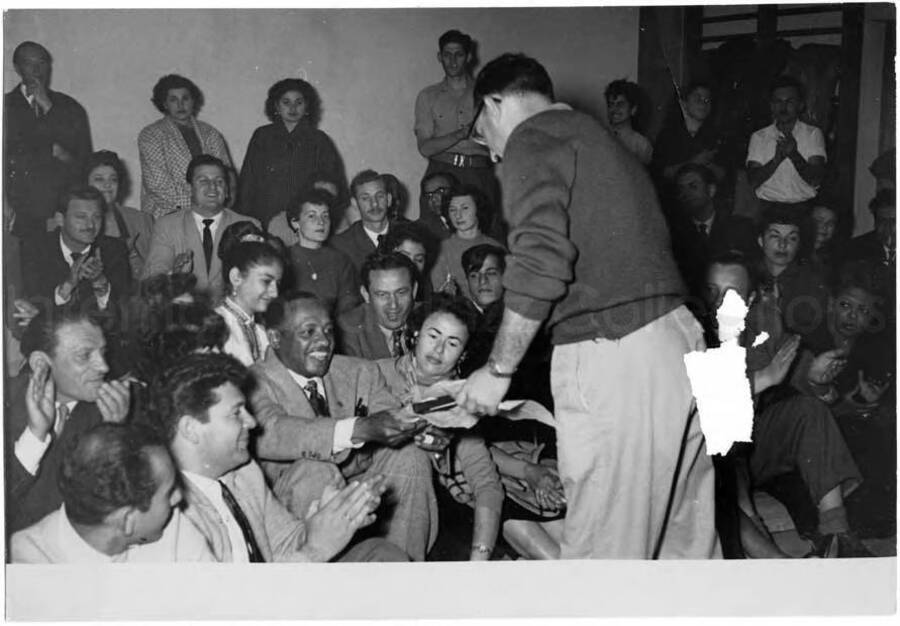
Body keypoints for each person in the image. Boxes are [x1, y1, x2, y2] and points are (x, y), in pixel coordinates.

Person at [458, 53, 719, 559]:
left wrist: (497, 369)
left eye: (481, 132)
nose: (490, 153)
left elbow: (540, 260)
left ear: (494, 103)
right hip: (678, 345)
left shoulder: (531, 138)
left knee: (605, 563)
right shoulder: (598, 138)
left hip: (617, 353)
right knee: (684, 553)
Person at [141, 351, 407, 562]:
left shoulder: (244, 473)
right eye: (236, 413)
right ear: (191, 428)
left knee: (382, 555)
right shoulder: (169, 510)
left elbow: (286, 544)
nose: (252, 422)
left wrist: (331, 519)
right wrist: (314, 551)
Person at [248, 293, 437, 560]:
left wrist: (427, 432)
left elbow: (393, 416)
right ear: (275, 338)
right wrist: (359, 428)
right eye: (308, 332)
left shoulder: (359, 371)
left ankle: (402, 570)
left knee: (410, 457)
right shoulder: (252, 381)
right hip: (292, 504)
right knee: (315, 470)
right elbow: (273, 430)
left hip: (356, 481)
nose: (323, 341)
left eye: (327, 331)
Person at [705, 254, 871, 558]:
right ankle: (772, 559)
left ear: (751, 298)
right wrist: (761, 380)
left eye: (732, 294)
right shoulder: (688, 334)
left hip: (757, 451)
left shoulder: (763, 333)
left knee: (809, 410)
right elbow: (693, 402)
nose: (719, 304)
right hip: (714, 459)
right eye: (712, 292)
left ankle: (836, 534)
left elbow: (804, 378)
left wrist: (818, 380)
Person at [378, 294, 566, 560]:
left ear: (463, 353)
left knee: (574, 550)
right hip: (404, 507)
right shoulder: (377, 376)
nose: (439, 350)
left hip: (469, 501)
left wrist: (479, 557)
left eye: (452, 343)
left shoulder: (462, 398)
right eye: (433, 336)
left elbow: (485, 481)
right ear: (416, 334)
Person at [11, 423, 213, 563]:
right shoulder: (29, 562)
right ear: (127, 521)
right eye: (168, 493)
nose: (179, 497)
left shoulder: (174, 529)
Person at [5, 309, 131, 533]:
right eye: (85, 355)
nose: (104, 366)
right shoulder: (7, 405)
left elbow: (121, 511)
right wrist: (34, 436)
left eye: (103, 352)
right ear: (40, 364)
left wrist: (111, 438)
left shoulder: (115, 409)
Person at [4, 41, 92, 241]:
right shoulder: (6, 106)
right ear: (17, 68)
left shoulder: (70, 108)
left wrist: (49, 107)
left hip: (60, 209)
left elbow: (85, 161)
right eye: (29, 63)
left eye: (42, 63)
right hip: (18, 211)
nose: (37, 70)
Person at [414, 30, 500, 225]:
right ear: (439, 57)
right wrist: (461, 134)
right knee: (433, 233)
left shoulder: (486, 93)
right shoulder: (428, 96)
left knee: (485, 231)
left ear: (468, 57)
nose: (452, 61)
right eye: (447, 55)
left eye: (459, 54)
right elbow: (425, 147)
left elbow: (500, 144)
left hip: (478, 174)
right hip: (441, 172)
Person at [142, 155, 260, 297]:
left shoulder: (249, 225)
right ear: (189, 188)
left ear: (227, 190)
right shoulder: (166, 225)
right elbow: (154, 277)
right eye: (203, 181)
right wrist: (174, 273)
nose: (213, 187)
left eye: (219, 181)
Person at [236, 78, 345, 229]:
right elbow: (248, 182)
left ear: (307, 106)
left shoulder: (319, 140)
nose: (293, 108)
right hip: (265, 215)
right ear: (276, 106)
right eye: (286, 102)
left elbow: (331, 184)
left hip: (306, 219)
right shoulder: (262, 136)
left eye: (299, 102)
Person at [21, 186, 131, 313]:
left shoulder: (114, 250)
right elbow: (33, 307)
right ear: (60, 219)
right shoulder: (35, 249)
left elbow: (122, 312)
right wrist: (68, 284)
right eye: (81, 217)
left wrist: (99, 282)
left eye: (97, 217)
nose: (90, 225)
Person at [138, 74, 232, 218]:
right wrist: (198, 208)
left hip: (211, 212)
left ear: (193, 101)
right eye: (173, 100)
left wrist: (211, 207)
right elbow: (158, 185)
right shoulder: (151, 135)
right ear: (164, 103)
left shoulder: (210, 133)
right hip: (167, 214)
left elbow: (225, 175)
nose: (180, 105)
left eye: (185, 99)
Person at [666, 163, 756, 307]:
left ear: (711, 190)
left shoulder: (739, 228)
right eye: (681, 189)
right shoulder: (675, 234)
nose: (685, 194)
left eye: (693, 186)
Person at [746, 75, 826, 206]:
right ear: (771, 106)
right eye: (778, 102)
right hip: (767, 206)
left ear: (800, 105)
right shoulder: (759, 137)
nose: (783, 107)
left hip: (804, 207)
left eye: (789, 102)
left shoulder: (813, 134)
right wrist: (776, 160)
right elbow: (753, 181)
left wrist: (794, 155)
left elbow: (815, 180)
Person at [755, 204, 829, 337]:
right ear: (761, 240)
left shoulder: (812, 283)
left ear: (799, 244)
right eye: (775, 236)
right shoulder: (747, 275)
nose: (783, 244)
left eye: (792, 238)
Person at [286, 188, 360, 316]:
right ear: (295, 223)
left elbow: (349, 307)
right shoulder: (284, 258)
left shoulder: (340, 260)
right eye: (311, 216)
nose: (321, 222)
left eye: (325, 216)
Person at [84, 150, 154, 280]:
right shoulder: (76, 223)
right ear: (85, 184)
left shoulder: (141, 220)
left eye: (113, 179)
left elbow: (157, 270)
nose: (107, 184)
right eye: (99, 179)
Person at [337, 252, 417, 360]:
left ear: (414, 290)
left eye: (401, 292)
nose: (393, 305)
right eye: (382, 295)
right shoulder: (347, 331)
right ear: (366, 295)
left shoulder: (431, 319)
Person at [216, 241, 283, 366]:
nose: (275, 294)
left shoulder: (261, 331)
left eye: (277, 284)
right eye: (266, 281)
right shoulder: (214, 329)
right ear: (236, 277)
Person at [429, 185, 504, 296]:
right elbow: (439, 292)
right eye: (453, 210)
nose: (458, 215)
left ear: (478, 210)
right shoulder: (441, 250)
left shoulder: (496, 247)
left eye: (465, 208)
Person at [653, 81, 724, 183]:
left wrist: (708, 164)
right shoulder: (668, 135)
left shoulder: (716, 136)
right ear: (684, 103)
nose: (703, 102)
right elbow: (660, 173)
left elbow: (724, 174)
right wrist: (693, 163)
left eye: (707, 99)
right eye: (697, 98)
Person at [330, 170, 396, 273]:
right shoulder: (340, 246)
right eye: (365, 198)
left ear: (389, 199)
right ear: (355, 203)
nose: (374, 204)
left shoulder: (409, 235)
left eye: (379, 196)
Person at [268, 174, 341, 246]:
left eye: (331, 198)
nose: (324, 200)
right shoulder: (279, 223)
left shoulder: (337, 223)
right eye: (318, 194)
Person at [604, 79, 652, 165]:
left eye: (620, 104)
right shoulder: (600, 135)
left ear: (633, 109)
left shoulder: (641, 145)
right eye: (611, 104)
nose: (614, 109)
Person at [415, 171, 457, 244]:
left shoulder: (473, 220)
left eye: (440, 191)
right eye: (429, 195)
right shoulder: (420, 230)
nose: (434, 199)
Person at [808, 201, 839, 277]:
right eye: (819, 221)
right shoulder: (792, 254)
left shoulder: (834, 259)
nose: (824, 226)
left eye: (830, 223)